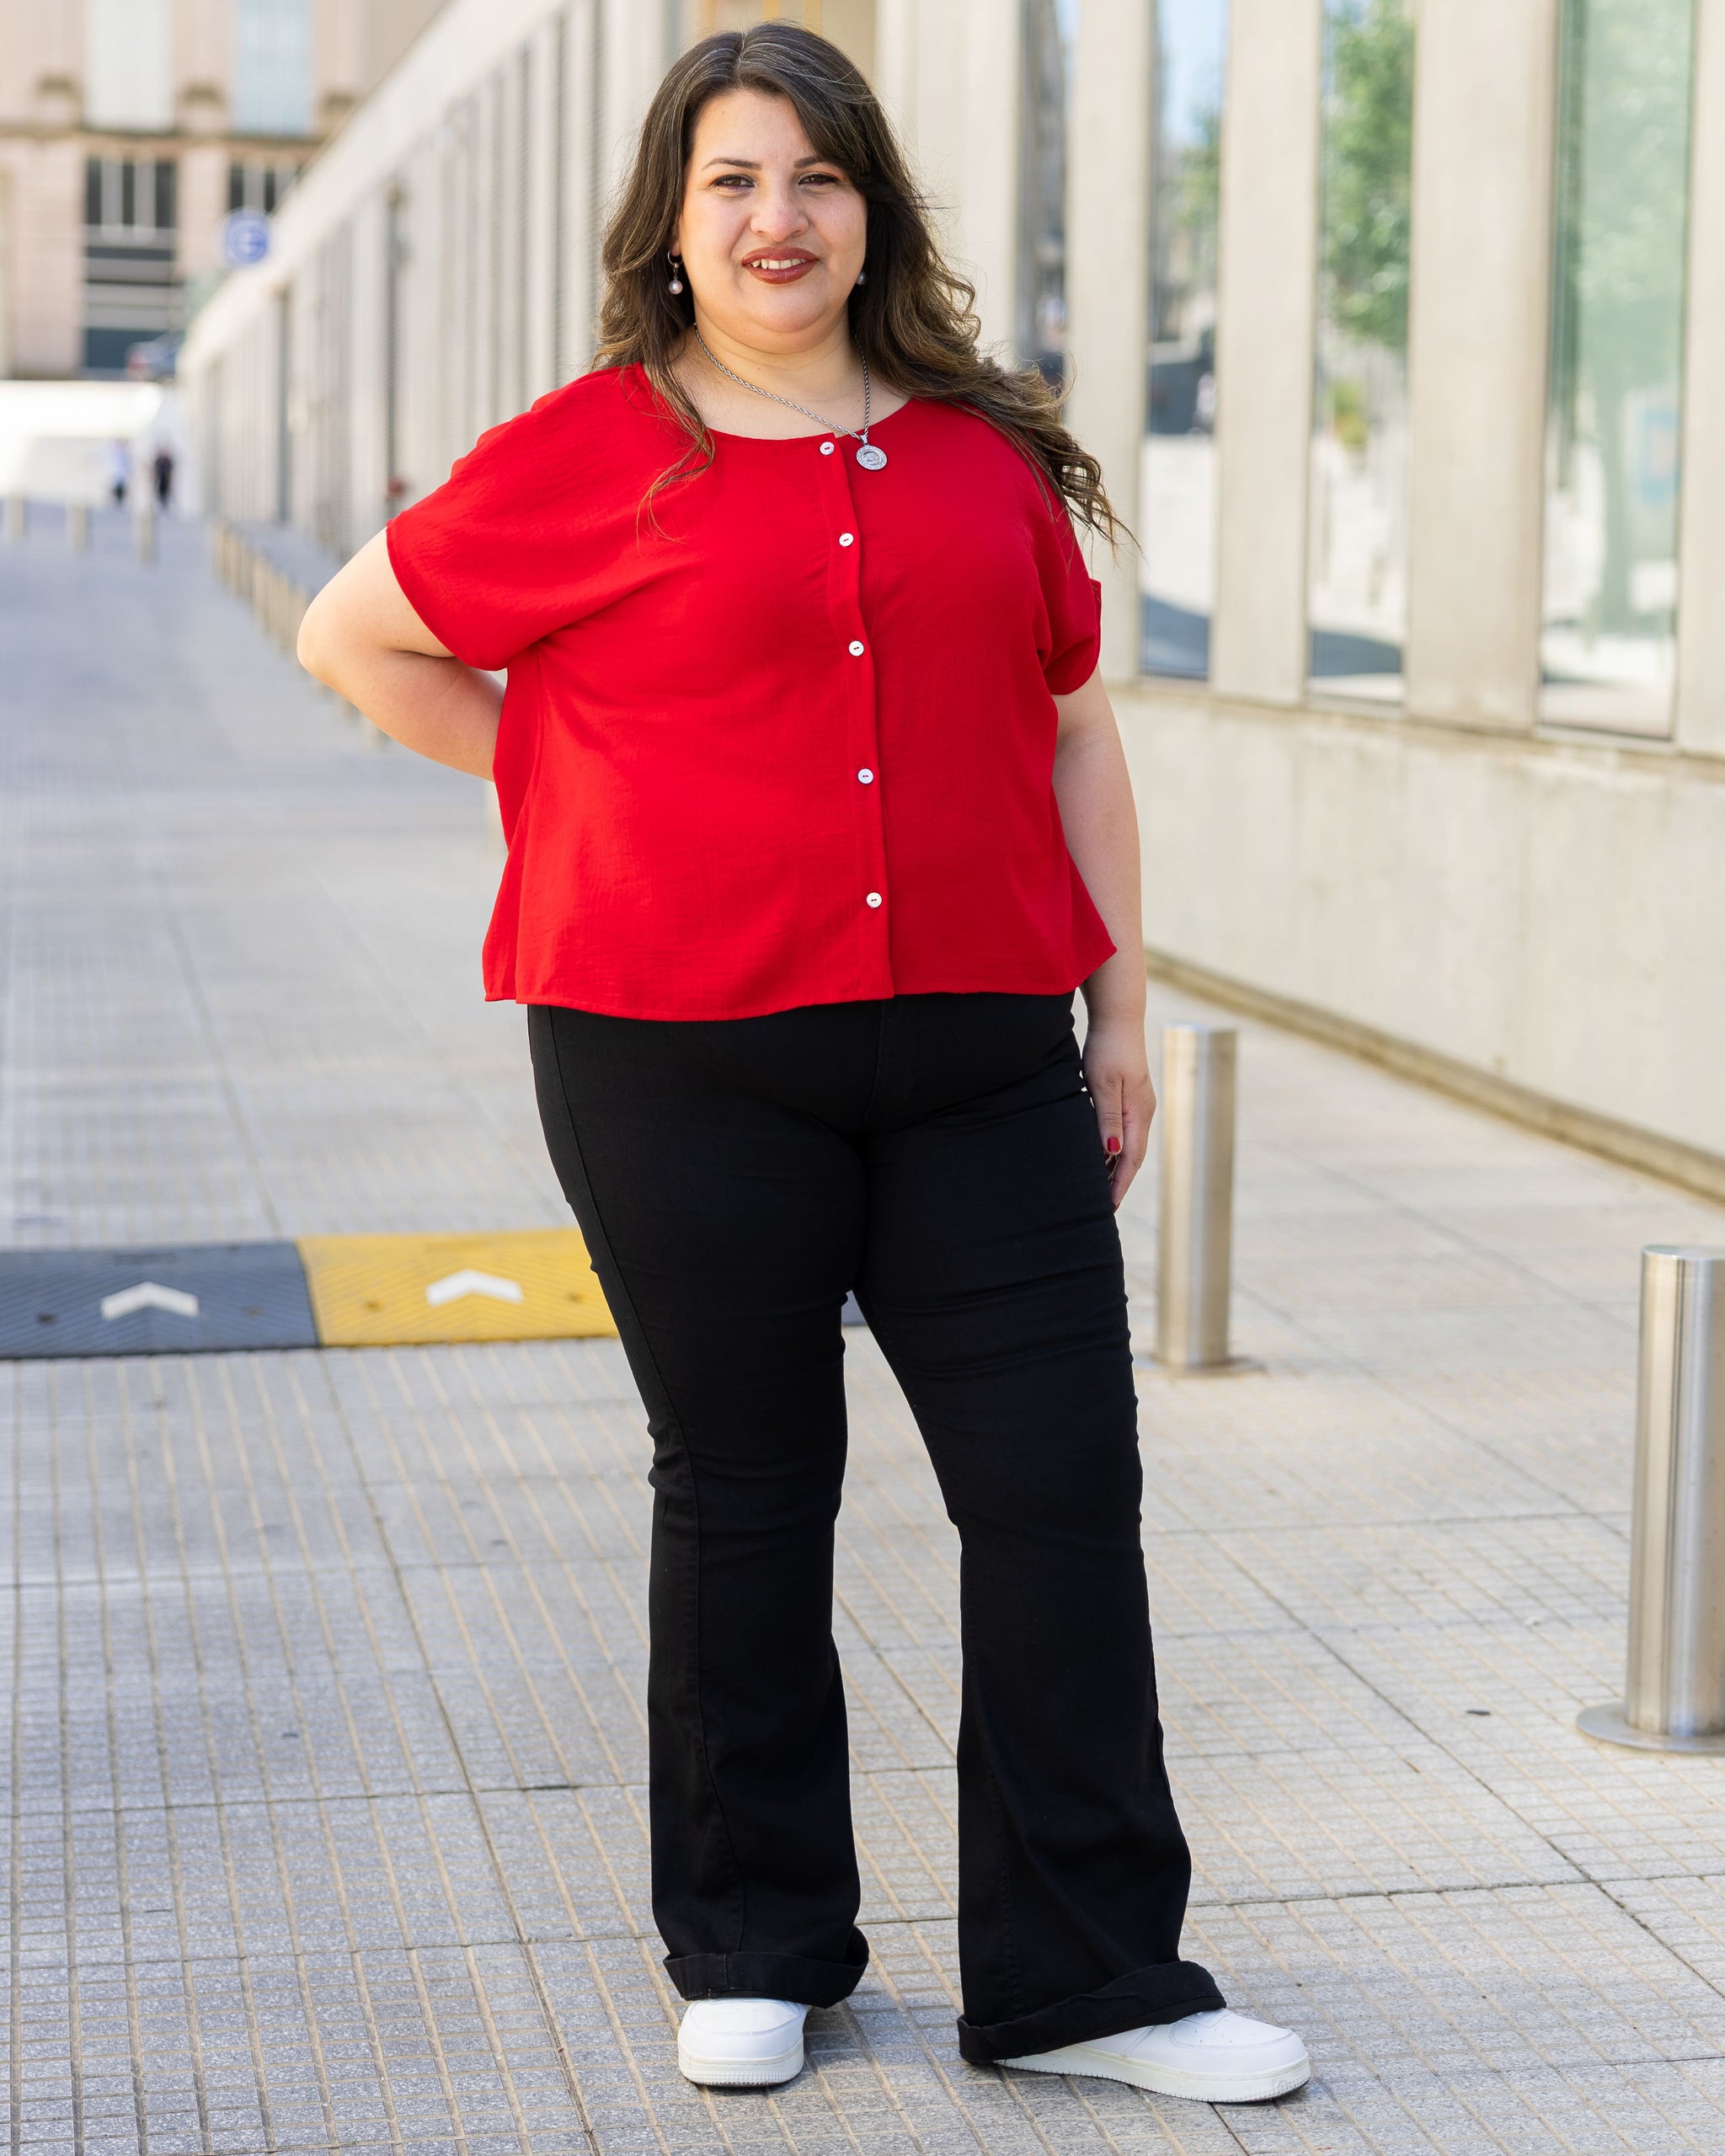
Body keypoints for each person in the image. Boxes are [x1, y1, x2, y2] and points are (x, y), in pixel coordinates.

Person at [296, 23, 1310, 2108]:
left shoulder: (978, 451)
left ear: (874, 212)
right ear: (673, 220)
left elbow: (1071, 726)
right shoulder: (591, 448)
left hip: (978, 1057)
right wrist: (584, 790)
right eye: (736, 179)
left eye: (819, 178)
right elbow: (353, 635)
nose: (781, 219)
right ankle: (755, 1937)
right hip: (678, 1055)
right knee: (748, 1487)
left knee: (1056, 1492)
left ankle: (1091, 1977)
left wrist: (1118, 1006)